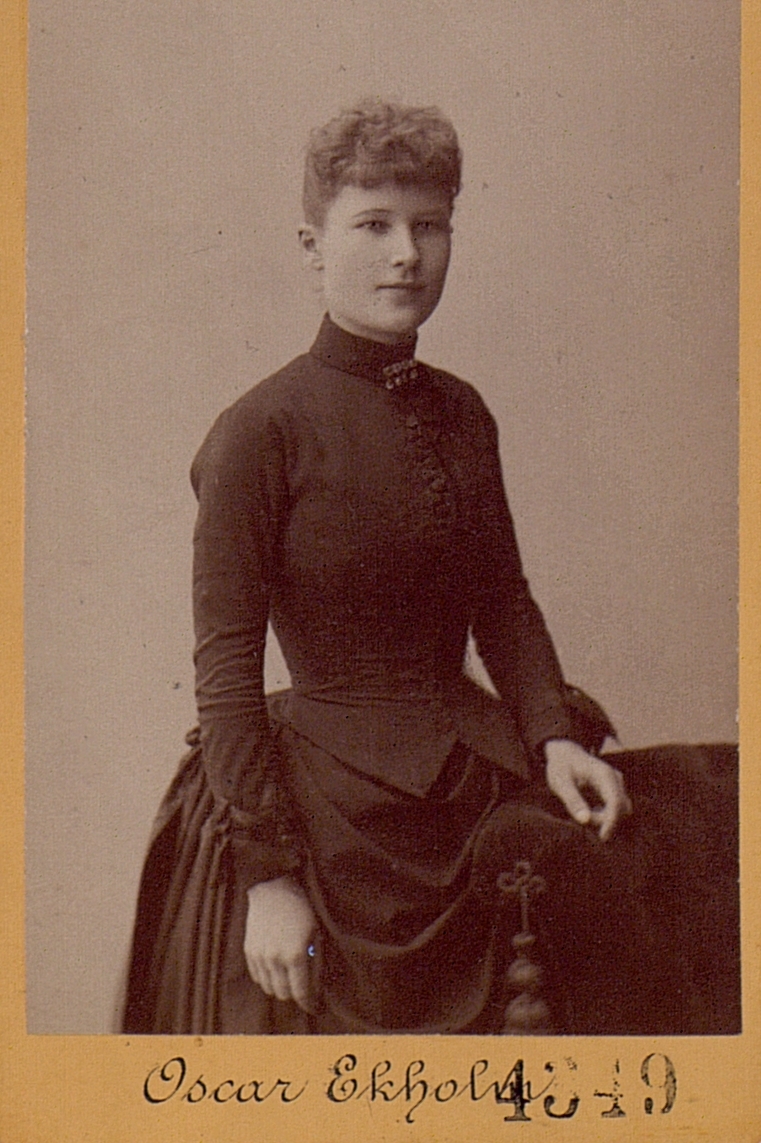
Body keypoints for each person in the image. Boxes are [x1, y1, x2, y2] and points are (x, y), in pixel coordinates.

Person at [122, 101, 738, 1036]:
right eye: (372, 225)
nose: (406, 254)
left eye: (430, 225)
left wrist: (552, 739)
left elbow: (503, 602)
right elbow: (226, 667)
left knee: (695, 829)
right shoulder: (259, 431)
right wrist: (269, 879)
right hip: (333, 812)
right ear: (312, 246)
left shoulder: (462, 413)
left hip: (477, 771)